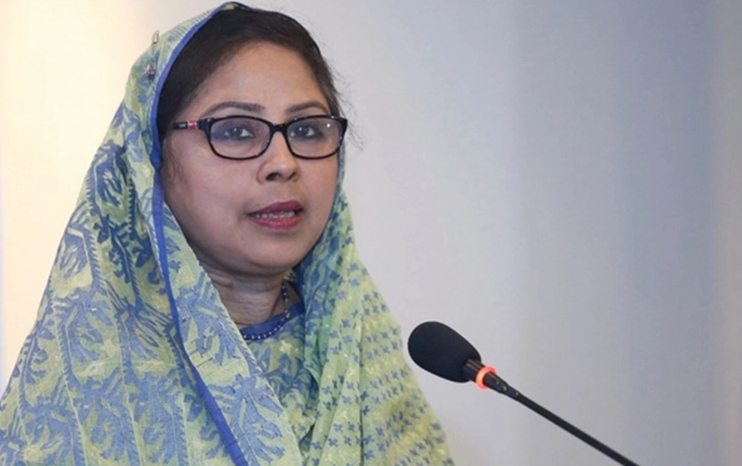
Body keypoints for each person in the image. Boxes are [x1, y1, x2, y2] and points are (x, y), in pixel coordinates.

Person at [0, 3, 453, 465]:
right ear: (151, 159)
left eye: (307, 130)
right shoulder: (90, 371)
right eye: (236, 131)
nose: (283, 163)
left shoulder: (359, 348)